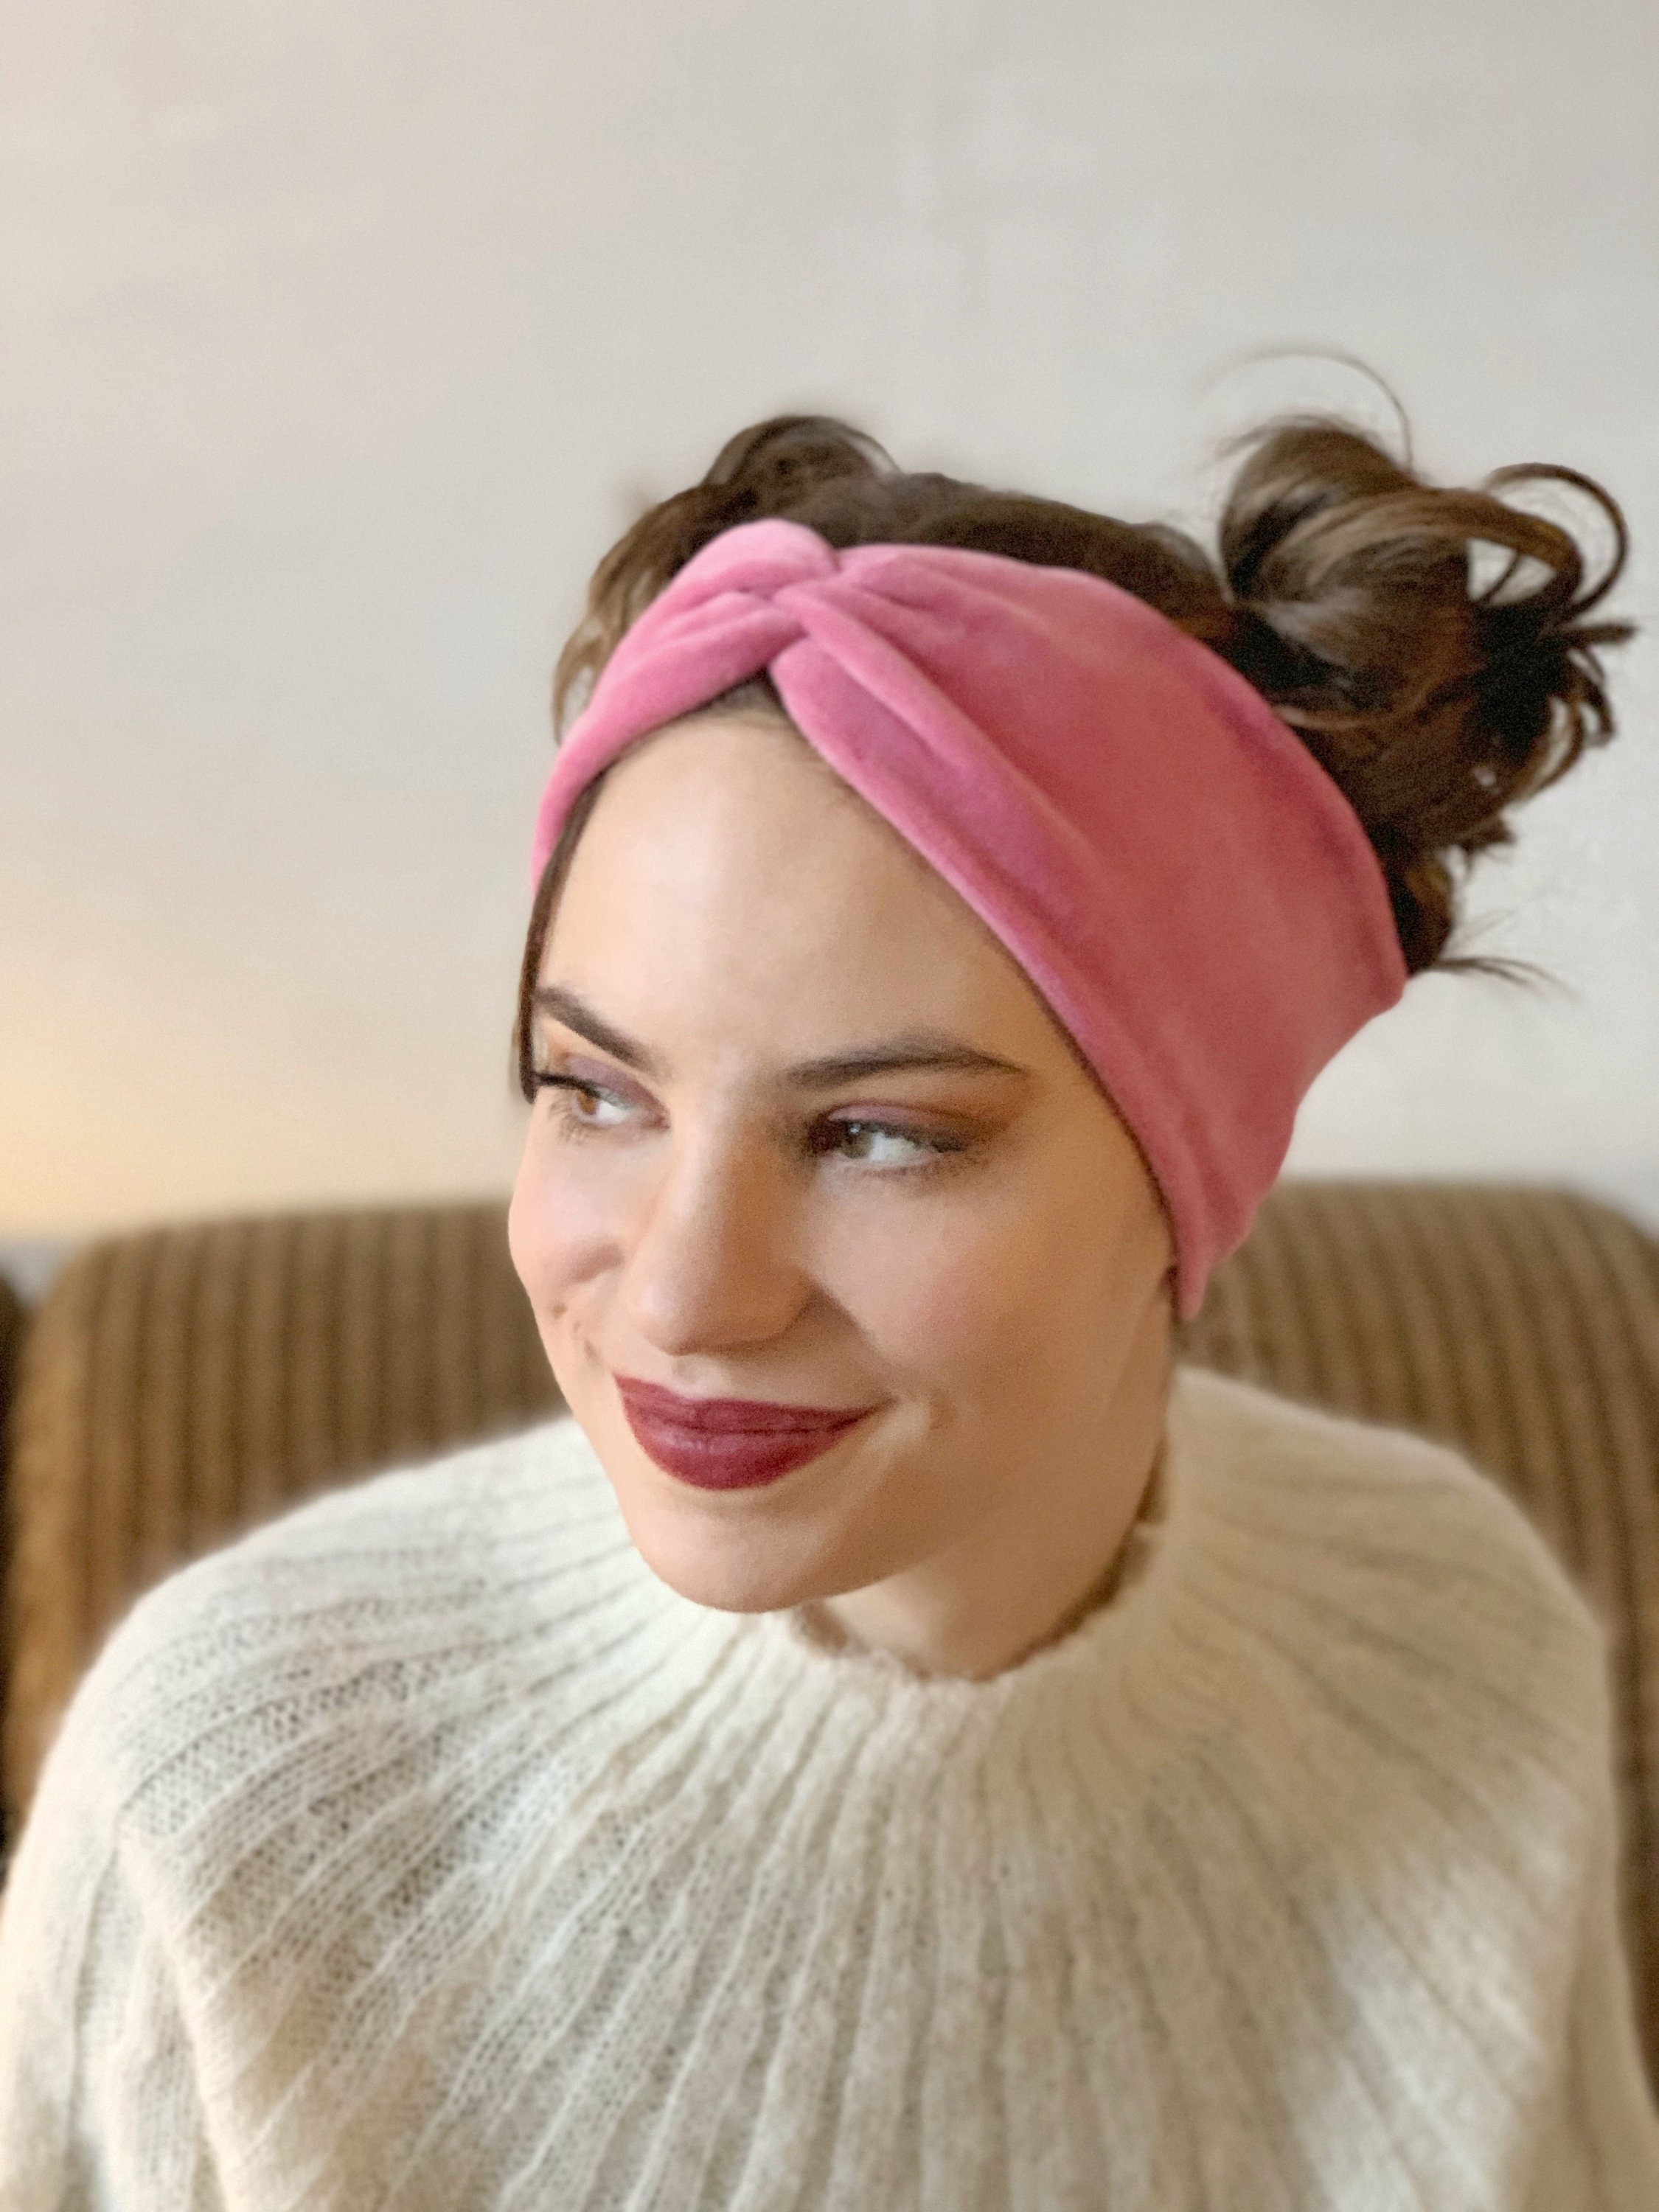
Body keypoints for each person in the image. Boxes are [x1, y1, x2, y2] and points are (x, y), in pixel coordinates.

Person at [1, 411, 1654, 2211]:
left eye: (882, 1134)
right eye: (593, 1091)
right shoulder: (235, 1797)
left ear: (1197, 1174)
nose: (684, 1293)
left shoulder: (1453, 1656)